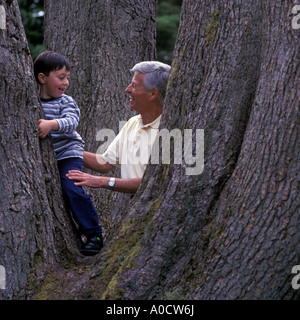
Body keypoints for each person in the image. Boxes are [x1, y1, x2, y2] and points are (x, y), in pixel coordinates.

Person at [34, 51, 103, 256]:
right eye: (61, 77)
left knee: (72, 187)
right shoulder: (31, 100)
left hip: (68, 153)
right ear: (42, 78)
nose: (66, 82)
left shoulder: (66, 102)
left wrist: (51, 124)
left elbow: (72, 122)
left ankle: (94, 233)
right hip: (45, 159)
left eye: (67, 78)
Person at [66, 61, 171, 193]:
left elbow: (155, 183)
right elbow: (105, 162)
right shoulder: (133, 123)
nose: (127, 89)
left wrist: (103, 181)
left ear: (153, 93)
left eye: (134, 85)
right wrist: (64, 149)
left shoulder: (172, 130)